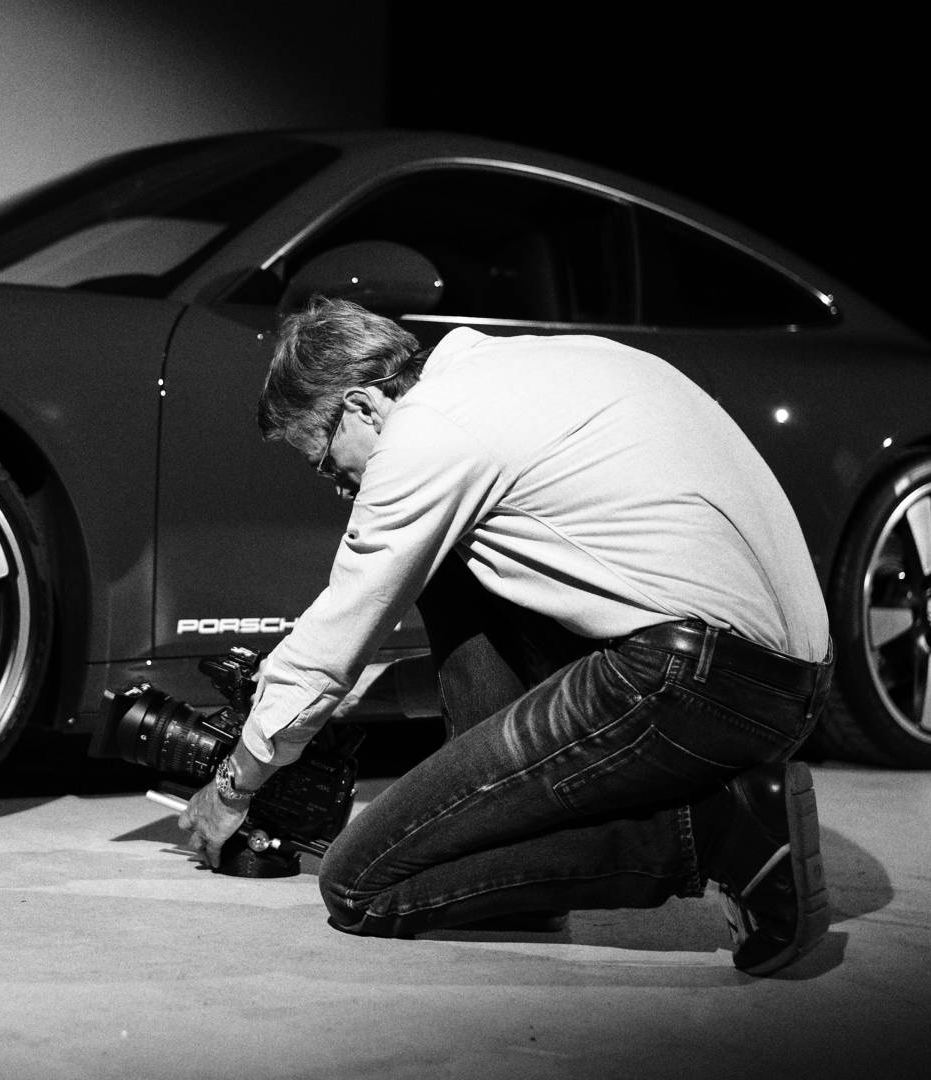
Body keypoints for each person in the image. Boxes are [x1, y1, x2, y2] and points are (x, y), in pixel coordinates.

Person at [177, 298, 835, 976]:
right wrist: (355, 705)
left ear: (363, 406)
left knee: (359, 882)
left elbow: (334, 637)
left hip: (692, 683)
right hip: (787, 682)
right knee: (447, 562)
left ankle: (720, 833)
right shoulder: (515, 368)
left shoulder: (425, 436)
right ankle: (519, 880)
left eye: (321, 459)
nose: (337, 485)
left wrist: (234, 785)